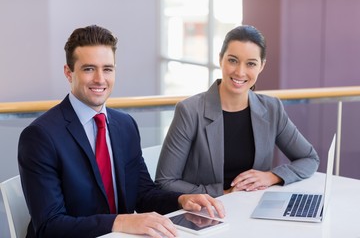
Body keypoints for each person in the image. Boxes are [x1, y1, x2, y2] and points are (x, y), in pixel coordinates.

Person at [17, 25, 225, 238]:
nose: (100, 79)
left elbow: (143, 195)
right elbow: (49, 226)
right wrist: (121, 221)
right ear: (68, 73)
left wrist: (181, 200)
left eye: (107, 69)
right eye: (89, 69)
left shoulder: (125, 125)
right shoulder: (40, 136)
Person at [155, 25, 320, 198]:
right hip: (206, 213)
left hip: (253, 208)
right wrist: (225, 193)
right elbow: (165, 182)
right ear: (221, 60)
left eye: (251, 64)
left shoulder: (272, 108)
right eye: (233, 60)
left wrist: (272, 177)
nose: (240, 72)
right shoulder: (190, 111)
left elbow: (309, 159)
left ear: (261, 66)